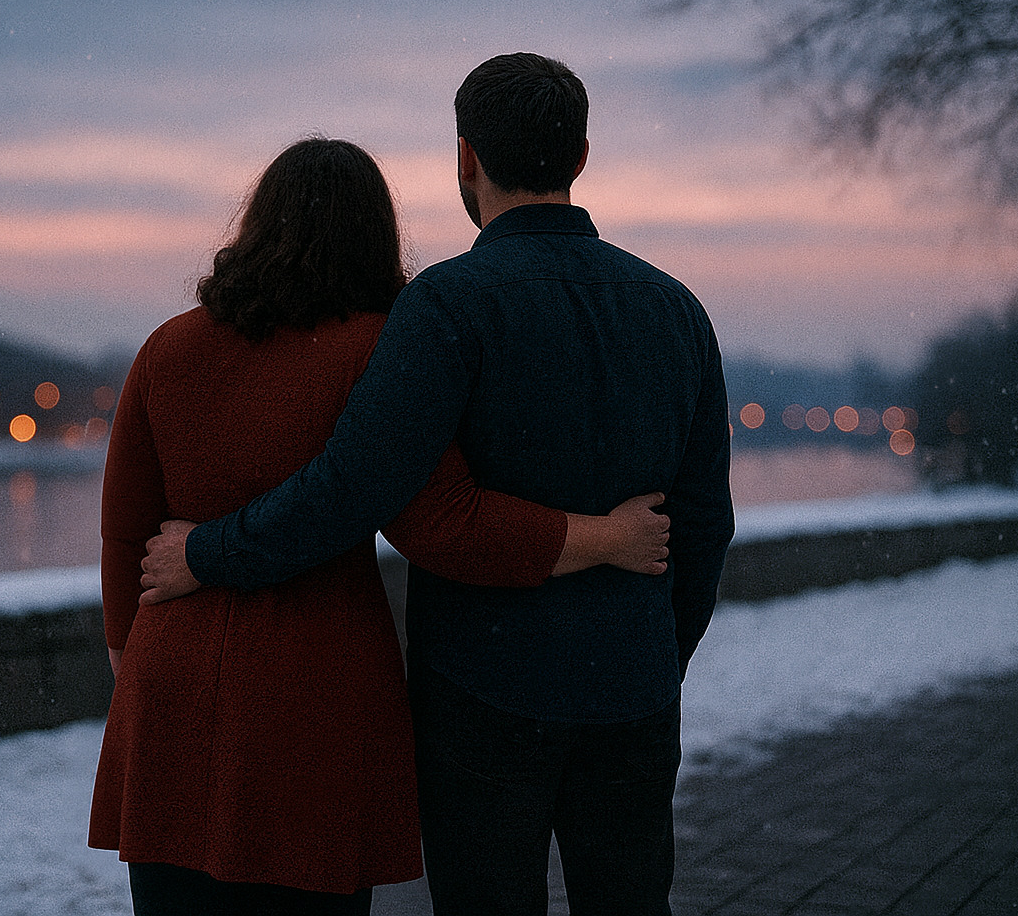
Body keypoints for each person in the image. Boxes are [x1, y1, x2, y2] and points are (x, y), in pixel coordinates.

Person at [141, 54, 736, 915]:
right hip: (632, 687)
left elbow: (355, 487)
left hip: (485, 692)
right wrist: (653, 653)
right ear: (579, 155)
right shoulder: (675, 308)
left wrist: (207, 550)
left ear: (466, 157)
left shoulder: (450, 306)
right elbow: (705, 526)